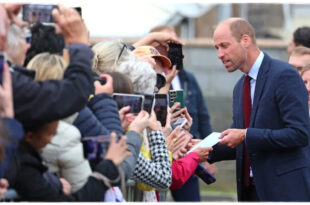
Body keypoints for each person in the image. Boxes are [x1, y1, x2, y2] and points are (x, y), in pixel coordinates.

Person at [209, 17, 310, 201]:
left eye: (224, 45)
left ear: (245, 40)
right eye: (217, 48)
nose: (220, 54)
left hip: (285, 193)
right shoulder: (240, 87)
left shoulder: (284, 74)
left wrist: (246, 135)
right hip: (251, 193)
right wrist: (202, 149)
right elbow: (241, 142)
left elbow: (299, 134)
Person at [149, 25, 213, 202]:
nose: (171, 49)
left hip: (186, 151)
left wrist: (208, 152)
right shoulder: (149, 76)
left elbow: (202, 113)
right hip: (161, 154)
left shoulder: (186, 77)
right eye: (166, 43)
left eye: (175, 44)